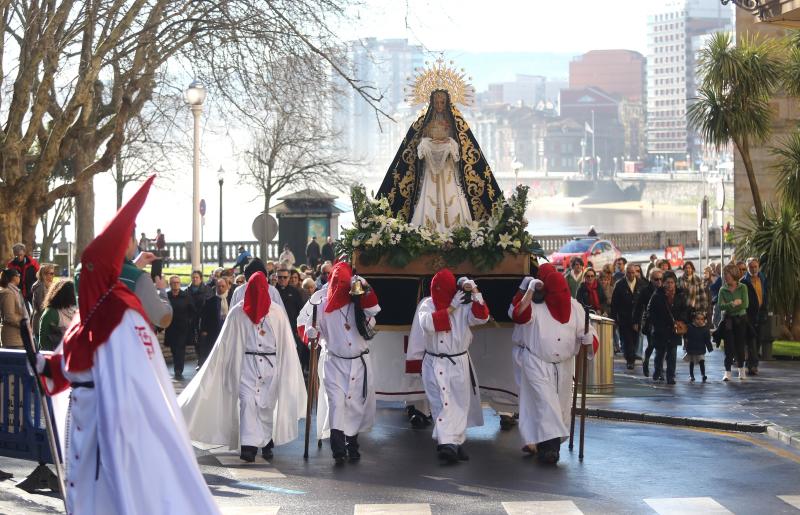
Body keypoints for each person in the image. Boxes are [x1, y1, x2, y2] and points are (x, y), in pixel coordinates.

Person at [33, 175, 220, 514]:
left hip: (109, 429)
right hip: (84, 422)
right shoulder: (90, 313)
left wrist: (121, 430)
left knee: (112, 498)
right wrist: (46, 366)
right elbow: (72, 361)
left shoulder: (120, 313)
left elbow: (133, 380)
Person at [180, 272, 307, 462]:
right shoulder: (238, 312)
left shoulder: (277, 313)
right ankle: (248, 446)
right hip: (246, 365)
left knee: (266, 405)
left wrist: (286, 369)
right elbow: (225, 343)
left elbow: (286, 343)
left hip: (270, 366)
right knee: (247, 402)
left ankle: (266, 443)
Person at [377, 88, 502, 231]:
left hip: (448, 169)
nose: (439, 105)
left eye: (442, 102)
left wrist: (449, 144)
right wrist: (428, 144)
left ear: (447, 103)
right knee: (428, 197)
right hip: (430, 171)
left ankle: (457, 232)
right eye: (436, 102)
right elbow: (419, 148)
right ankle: (426, 232)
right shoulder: (425, 122)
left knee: (453, 197)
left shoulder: (454, 123)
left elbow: (461, 147)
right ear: (432, 103)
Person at [509, 264, 597, 465]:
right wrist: (529, 289)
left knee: (559, 407)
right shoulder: (536, 304)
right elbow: (518, 314)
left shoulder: (575, 306)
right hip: (537, 362)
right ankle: (550, 449)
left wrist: (588, 339)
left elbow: (589, 331)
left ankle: (540, 441)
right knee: (545, 404)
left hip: (564, 366)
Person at [407, 270, 489, 463]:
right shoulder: (427, 305)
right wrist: (450, 308)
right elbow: (427, 324)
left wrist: (474, 290)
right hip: (434, 362)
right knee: (441, 404)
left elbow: (482, 316)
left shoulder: (463, 303)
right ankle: (447, 445)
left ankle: (455, 443)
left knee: (459, 404)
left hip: (458, 361)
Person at [303, 262, 380, 464]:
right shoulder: (321, 305)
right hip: (334, 363)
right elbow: (314, 329)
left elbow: (374, 311)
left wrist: (365, 287)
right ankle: (338, 448)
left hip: (358, 363)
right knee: (336, 403)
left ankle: (351, 444)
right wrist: (312, 334)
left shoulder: (358, 302)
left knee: (354, 405)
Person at [646, 271, 689, 384]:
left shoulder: (680, 295)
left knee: (672, 354)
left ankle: (671, 376)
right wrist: (656, 324)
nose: (670, 285)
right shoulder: (657, 295)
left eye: (672, 282)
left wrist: (681, 320)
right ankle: (658, 371)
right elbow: (650, 311)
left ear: (675, 283)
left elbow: (685, 309)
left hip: (674, 329)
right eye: (667, 282)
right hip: (661, 329)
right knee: (660, 353)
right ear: (663, 283)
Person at [718, 264, 749, 381]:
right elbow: (720, 306)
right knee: (728, 347)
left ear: (734, 274)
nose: (726, 277)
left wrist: (730, 305)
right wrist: (733, 304)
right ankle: (727, 372)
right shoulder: (722, 289)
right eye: (724, 275)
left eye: (728, 274)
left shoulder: (743, 287)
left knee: (740, 346)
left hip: (741, 320)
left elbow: (745, 304)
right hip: (728, 320)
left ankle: (741, 370)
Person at [611, 263, 643, 370]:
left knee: (634, 339)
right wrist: (614, 318)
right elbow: (614, 303)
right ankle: (630, 360)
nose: (631, 275)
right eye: (629, 272)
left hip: (637, 318)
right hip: (624, 318)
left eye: (633, 272)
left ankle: (630, 355)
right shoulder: (620, 284)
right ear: (625, 273)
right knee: (626, 338)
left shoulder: (640, 284)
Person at [275, 266, 306, 369]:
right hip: (277, 331)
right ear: (276, 277)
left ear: (288, 278)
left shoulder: (295, 292)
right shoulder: (273, 292)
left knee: (293, 359)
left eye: (285, 277)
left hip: (293, 330)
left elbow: (301, 311)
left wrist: (299, 330)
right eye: (280, 277)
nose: (282, 279)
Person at [165, 276, 196, 380]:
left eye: (177, 282)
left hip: (183, 327)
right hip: (171, 326)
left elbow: (192, 310)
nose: (175, 284)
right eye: (173, 283)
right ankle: (176, 366)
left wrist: (189, 320)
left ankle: (178, 369)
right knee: (174, 349)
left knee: (180, 348)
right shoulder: (167, 296)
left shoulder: (186, 296)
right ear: (170, 284)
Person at [635, 268, 663, 378]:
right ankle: (646, 361)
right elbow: (638, 307)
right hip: (650, 322)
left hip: (663, 322)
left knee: (661, 347)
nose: (659, 282)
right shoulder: (645, 290)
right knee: (652, 345)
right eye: (656, 279)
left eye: (661, 279)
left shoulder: (664, 290)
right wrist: (636, 321)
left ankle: (659, 370)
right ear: (651, 279)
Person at [741, 257, 768, 375]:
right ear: (747, 268)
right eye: (751, 267)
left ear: (758, 267)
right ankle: (753, 365)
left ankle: (751, 363)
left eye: (755, 266)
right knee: (751, 340)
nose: (753, 269)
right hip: (749, 315)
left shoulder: (763, 278)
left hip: (761, 314)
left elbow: (766, 294)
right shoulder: (743, 281)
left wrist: (766, 310)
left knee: (759, 340)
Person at [37, 280, 77, 351]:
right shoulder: (77, 312)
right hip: (70, 355)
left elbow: (43, 342)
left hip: (53, 356)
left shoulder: (51, 313)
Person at [198, 278, 230, 367]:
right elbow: (205, 316)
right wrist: (204, 330)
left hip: (228, 329)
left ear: (227, 287)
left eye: (223, 286)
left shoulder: (231, 298)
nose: (221, 288)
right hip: (214, 330)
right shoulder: (210, 300)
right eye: (219, 286)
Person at [188, 270, 212, 354]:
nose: (194, 279)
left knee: (204, 341)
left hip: (204, 319)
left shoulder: (207, 289)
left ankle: (202, 360)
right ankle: (199, 359)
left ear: (201, 279)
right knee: (196, 341)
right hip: (192, 320)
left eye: (196, 277)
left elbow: (209, 304)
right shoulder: (187, 291)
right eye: (193, 277)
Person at [684, 311, 712, 383]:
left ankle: (703, 375)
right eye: (698, 319)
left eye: (702, 319)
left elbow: (707, 340)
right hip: (691, 347)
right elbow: (685, 336)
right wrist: (686, 345)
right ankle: (691, 375)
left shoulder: (705, 329)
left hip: (701, 348)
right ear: (694, 319)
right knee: (692, 362)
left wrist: (709, 348)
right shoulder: (690, 327)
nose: (700, 321)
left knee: (702, 361)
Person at [0, 269, 24, 348]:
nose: (20, 278)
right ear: (14, 278)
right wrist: (23, 323)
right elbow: (9, 316)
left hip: (17, 337)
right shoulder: (8, 293)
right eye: (19, 275)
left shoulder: (15, 292)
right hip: (12, 338)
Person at [30, 263, 56, 338]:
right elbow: (41, 307)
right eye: (51, 273)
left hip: (45, 322)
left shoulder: (47, 286)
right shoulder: (41, 287)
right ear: (44, 274)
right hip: (40, 323)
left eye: (53, 273)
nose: (53, 275)